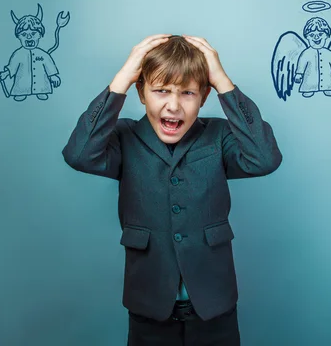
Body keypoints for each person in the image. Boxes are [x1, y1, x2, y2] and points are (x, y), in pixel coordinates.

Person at [62, 34, 282, 345]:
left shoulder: (218, 135)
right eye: (161, 91)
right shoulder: (124, 137)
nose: (173, 105)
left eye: (188, 93)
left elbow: (264, 158)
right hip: (149, 306)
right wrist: (123, 78)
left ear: (203, 97)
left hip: (214, 304)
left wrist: (222, 82)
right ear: (142, 92)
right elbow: (79, 153)